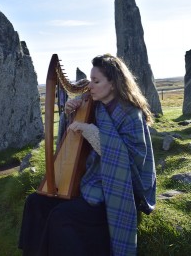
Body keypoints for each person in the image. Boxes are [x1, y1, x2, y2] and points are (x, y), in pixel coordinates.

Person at [18, 54, 156, 256]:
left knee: (61, 216)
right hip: (92, 179)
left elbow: (128, 161)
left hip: (117, 187)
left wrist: (89, 131)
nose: (89, 86)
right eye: (90, 80)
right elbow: (74, 136)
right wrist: (70, 114)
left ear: (114, 84)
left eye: (96, 81)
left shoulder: (130, 115)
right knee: (35, 202)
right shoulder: (95, 105)